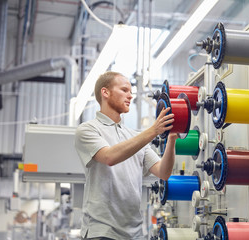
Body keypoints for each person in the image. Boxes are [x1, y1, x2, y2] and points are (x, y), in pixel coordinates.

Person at [75, 71, 177, 240]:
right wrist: (153, 130)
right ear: (105, 92)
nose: (130, 96)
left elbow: (163, 172)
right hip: (102, 231)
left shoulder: (134, 136)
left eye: (131, 91)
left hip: (134, 233)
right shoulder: (88, 129)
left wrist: (172, 139)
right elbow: (109, 157)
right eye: (124, 90)